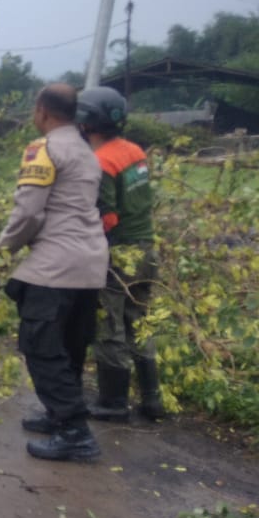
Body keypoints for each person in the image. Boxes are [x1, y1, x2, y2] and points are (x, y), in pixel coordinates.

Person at [0, 84, 109, 462]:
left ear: (42, 110)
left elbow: (29, 212)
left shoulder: (43, 149)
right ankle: (57, 415)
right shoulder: (86, 150)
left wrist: (4, 248)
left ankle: (75, 431)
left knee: (41, 346)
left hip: (55, 265)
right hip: (90, 264)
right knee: (70, 345)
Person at [76, 87, 166, 421]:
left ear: (86, 122)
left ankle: (113, 402)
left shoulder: (101, 161)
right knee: (138, 323)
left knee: (109, 325)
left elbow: (107, 218)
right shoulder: (134, 151)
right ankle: (151, 399)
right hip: (146, 249)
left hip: (118, 254)